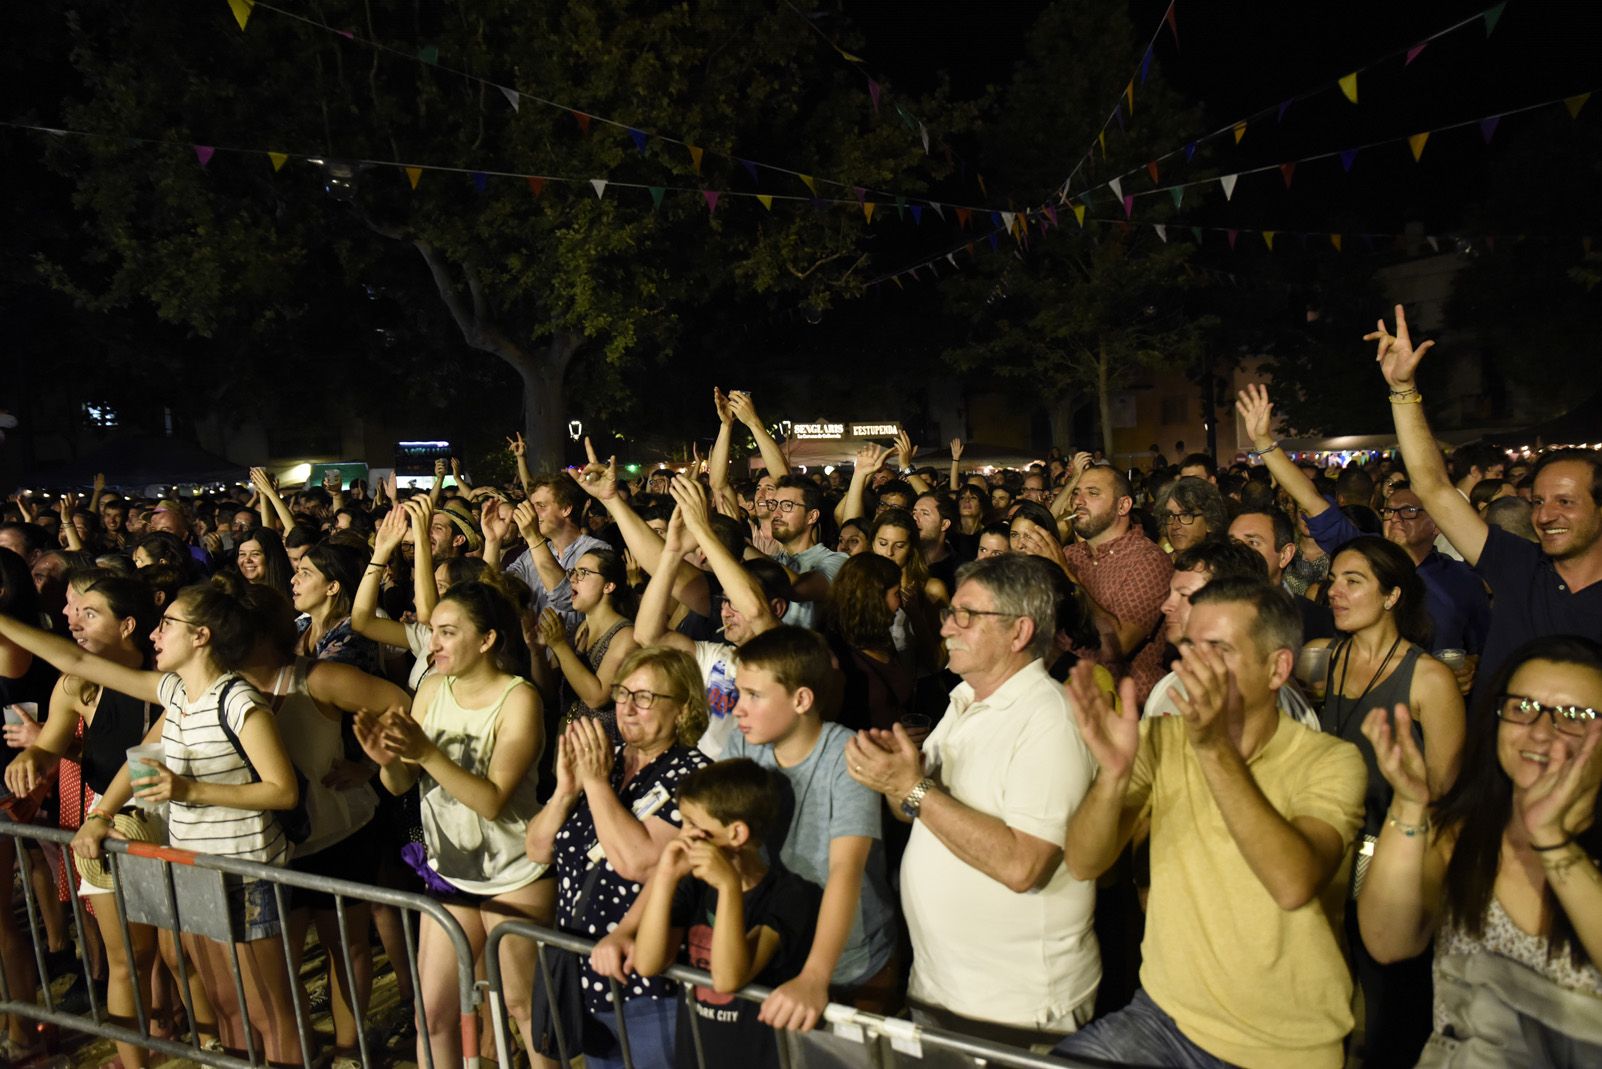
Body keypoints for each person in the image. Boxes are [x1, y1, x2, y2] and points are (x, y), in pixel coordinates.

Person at [1058, 579, 1367, 1068]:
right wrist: (1113, 779)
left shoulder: (1329, 761)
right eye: (1189, 648)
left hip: (1284, 1046)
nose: (1194, 667)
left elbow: (1293, 883)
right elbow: (1082, 862)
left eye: (1218, 649)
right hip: (1163, 1018)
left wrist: (1212, 748)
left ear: (1277, 668)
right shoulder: (1159, 737)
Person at [1, 577, 308, 1063]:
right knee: (225, 1003)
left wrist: (189, 790)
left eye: (167, 625)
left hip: (243, 871)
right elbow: (78, 662)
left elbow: (283, 791)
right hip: (193, 867)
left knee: (268, 1007)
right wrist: (101, 813)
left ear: (201, 635)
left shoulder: (240, 702)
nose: (153, 634)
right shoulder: (176, 693)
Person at [847, 554, 1100, 1045]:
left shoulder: (1049, 721)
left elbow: (1022, 864)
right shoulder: (964, 700)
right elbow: (916, 811)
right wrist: (897, 778)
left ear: (1019, 631)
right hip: (943, 990)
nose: (946, 628)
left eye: (967, 615)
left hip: (1016, 1008)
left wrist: (911, 787)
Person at [1357, 636, 1601, 1064]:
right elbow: (1387, 942)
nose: (1541, 732)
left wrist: (1552, 839)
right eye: (1522, 708)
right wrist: (1410, 804)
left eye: (1574, 716)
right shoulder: (1461, 833)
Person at [354, 580, 548, 1069]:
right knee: (433, 1013)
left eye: (447, 632)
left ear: (486, 640)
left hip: (514, 874)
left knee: (526, 1012)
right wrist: (388, 761)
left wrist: (426, 752)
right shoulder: (432, 687)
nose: (432, 644)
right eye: (432, 632)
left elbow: (493, 801)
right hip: (452, 870)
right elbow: (402, 784)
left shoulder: (519, 699)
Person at [2, 572, 189, 1069]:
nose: (73, 620)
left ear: (128, 625)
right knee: (128, 960)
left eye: (89, 613)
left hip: (173, 820)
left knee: (179, 957)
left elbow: (145, 756)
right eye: (73, 612)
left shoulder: (166, 676)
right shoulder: (75, 685)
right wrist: (33, 760)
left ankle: (207, 1045)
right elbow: (50, 745)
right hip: (107, 828)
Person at [1371, 306, 1602, 689]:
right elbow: (1433, 488)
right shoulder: (1519, 566)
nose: (1545, 515)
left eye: (1565, 502)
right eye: (1539, 501)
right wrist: (1402, 391)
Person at [234, 582, 411, 1069]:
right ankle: (299, 1045)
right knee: (282, 958)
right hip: (269, 844)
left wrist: (372, 769)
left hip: (339, 833)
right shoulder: (223, 686)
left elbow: (404, 704)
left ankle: (350, 1048)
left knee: (346, 945)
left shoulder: (318, 678)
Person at [1305, 536, 1466, 1066]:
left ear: (1393, 595)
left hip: (1389, 864)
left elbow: (1444, 799)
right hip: (1324, 855)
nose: (1336, 592)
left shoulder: (1429, 679)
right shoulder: (1320, 660)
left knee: (1384, 1015)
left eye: (1354, 581)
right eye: (1333, 580)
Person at [524, 646, 711, 1069]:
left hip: (646, 984)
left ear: (683, 709)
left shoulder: (693, 776)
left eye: (644, 698)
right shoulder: (604, 765)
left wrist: (594, 785)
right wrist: (565, 791)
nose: (627, 707)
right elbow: (536, 849)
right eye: (623, 693)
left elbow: (639, 862)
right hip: (586, 977)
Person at [718, 627, 898, 1029]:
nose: (737, 709)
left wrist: (814, 977)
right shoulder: (742, 745)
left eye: (754, 695)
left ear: (801, 699)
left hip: (850, 964)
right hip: (780, 947)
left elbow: (845, 870)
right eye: (739, 692)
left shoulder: (846, 757)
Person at [1237, 384, 1490, 663]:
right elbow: (1311, 500)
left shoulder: (1461, 580)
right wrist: (1264, 442)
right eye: (1390, 511)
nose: (1396, 518)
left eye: (1408, 511)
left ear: (1436, 525)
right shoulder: (1365, 555)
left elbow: (1483, 646)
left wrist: (1471, 666)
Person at [627, 759, 821, 1069]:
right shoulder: (693, 885)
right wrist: (664, 877)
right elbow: (647, 963)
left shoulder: (789, 896)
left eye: (692, 823)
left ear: (736, 833)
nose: (683, 834)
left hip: (760, 1057)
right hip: (697, 1056)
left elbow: (728, 978)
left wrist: (729, 887)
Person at [634, 475, 785, 758]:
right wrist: (672, 552)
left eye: (735, 602)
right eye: (725, 602)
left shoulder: (788, 657)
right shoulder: (719, 658)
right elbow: (647, 636)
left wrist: (702, 530)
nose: (726, 611)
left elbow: (756, 612)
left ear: (777, 609)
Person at [1063, 465, 1174, 705]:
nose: (1078, 501)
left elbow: (1116, 646)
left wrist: (1063, 574)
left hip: (1125, 710)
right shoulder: (1069, 555)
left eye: (1092, 493)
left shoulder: (1148, 560)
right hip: (1068, 701)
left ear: (1123, 506)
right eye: (1076, 493)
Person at [536, 546, 639, 734]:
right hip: (568, 735)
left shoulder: (625, 636)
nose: (573, 578)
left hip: (601, 742)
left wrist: (559, 645)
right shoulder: (580, 629)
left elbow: (597, 697)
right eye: (573, 571)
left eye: (583, 572)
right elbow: (549, 692)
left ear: (609, 586)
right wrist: (538, 649)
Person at [822, 553, 915, 733]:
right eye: (896, 593)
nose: (901, 602)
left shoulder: (880, 637)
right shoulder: (836, 654)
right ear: (875, 598)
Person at [1227, 508, 1337, 641]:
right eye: (1232, 543)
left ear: (1285, 555)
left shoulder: (1319, 622)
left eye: (1253, 543)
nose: (1237, 552)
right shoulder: (1207, 609)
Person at [767, 476, 848, 630]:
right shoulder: (774, 559)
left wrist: (743, 546)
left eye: (786, 505)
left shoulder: (837, 561)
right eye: (774, 504)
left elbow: (799, 589)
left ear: (812, 516)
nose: (776, 513)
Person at [292, 543, 380, 675]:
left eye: (305, 573)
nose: (293, 580)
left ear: (332, 587)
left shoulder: (353, 635)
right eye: (297, 572)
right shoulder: (299, 627)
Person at [1156, 477, 1227, 554]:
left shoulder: (1222, 564)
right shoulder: (1160, 562)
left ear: (1210, 522)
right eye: (1169, 516)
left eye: (1186, 515)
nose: (1175, 526)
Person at [234, 526, 293, 600]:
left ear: (272, 557)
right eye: (242, 554)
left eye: (255, 554)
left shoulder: (294, 592)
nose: (247, 560)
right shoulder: (231, 594)